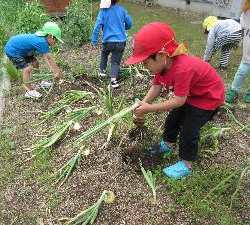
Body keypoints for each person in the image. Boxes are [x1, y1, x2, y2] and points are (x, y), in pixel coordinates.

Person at [126, 22, 225, 179]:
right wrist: (142, 103)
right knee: (173, 119)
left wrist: (149, 108)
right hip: (191, 94)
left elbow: (178, 101)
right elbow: (156, 87)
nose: (144, 67)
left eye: (145, 62)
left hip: (208, 98)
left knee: (188, 129)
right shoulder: (161, 66)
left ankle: (186, 165)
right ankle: (168, 145)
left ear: (162, 55)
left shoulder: (182, 69)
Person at [5, 22, 63, 98]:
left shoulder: (42, 38)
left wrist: (53, 70)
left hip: (19, 49)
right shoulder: (42, 42)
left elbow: (46, 57)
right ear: (50, 36)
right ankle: (29, 91)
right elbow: (50, 58)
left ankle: (39, 82)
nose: (56, 43)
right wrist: (57, 71)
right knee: (27, 69)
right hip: (13, 50)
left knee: (35, 62)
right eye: (56, 41)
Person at [92, 0, 132, 88]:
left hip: (108, 41)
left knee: (104, 53)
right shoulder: (122, 10)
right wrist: (124, 27)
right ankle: (113, 80)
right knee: (115, 62)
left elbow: (97, 26)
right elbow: (129, 23)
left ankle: (102, 71)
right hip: (120, 41)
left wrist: (94, 41)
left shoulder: (103, 11)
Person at [226, 0, 250, 103]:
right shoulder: (247, 11)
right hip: (248, 50)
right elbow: (243, 28)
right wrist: (239, 41)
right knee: (242, 70)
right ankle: (234, 90)